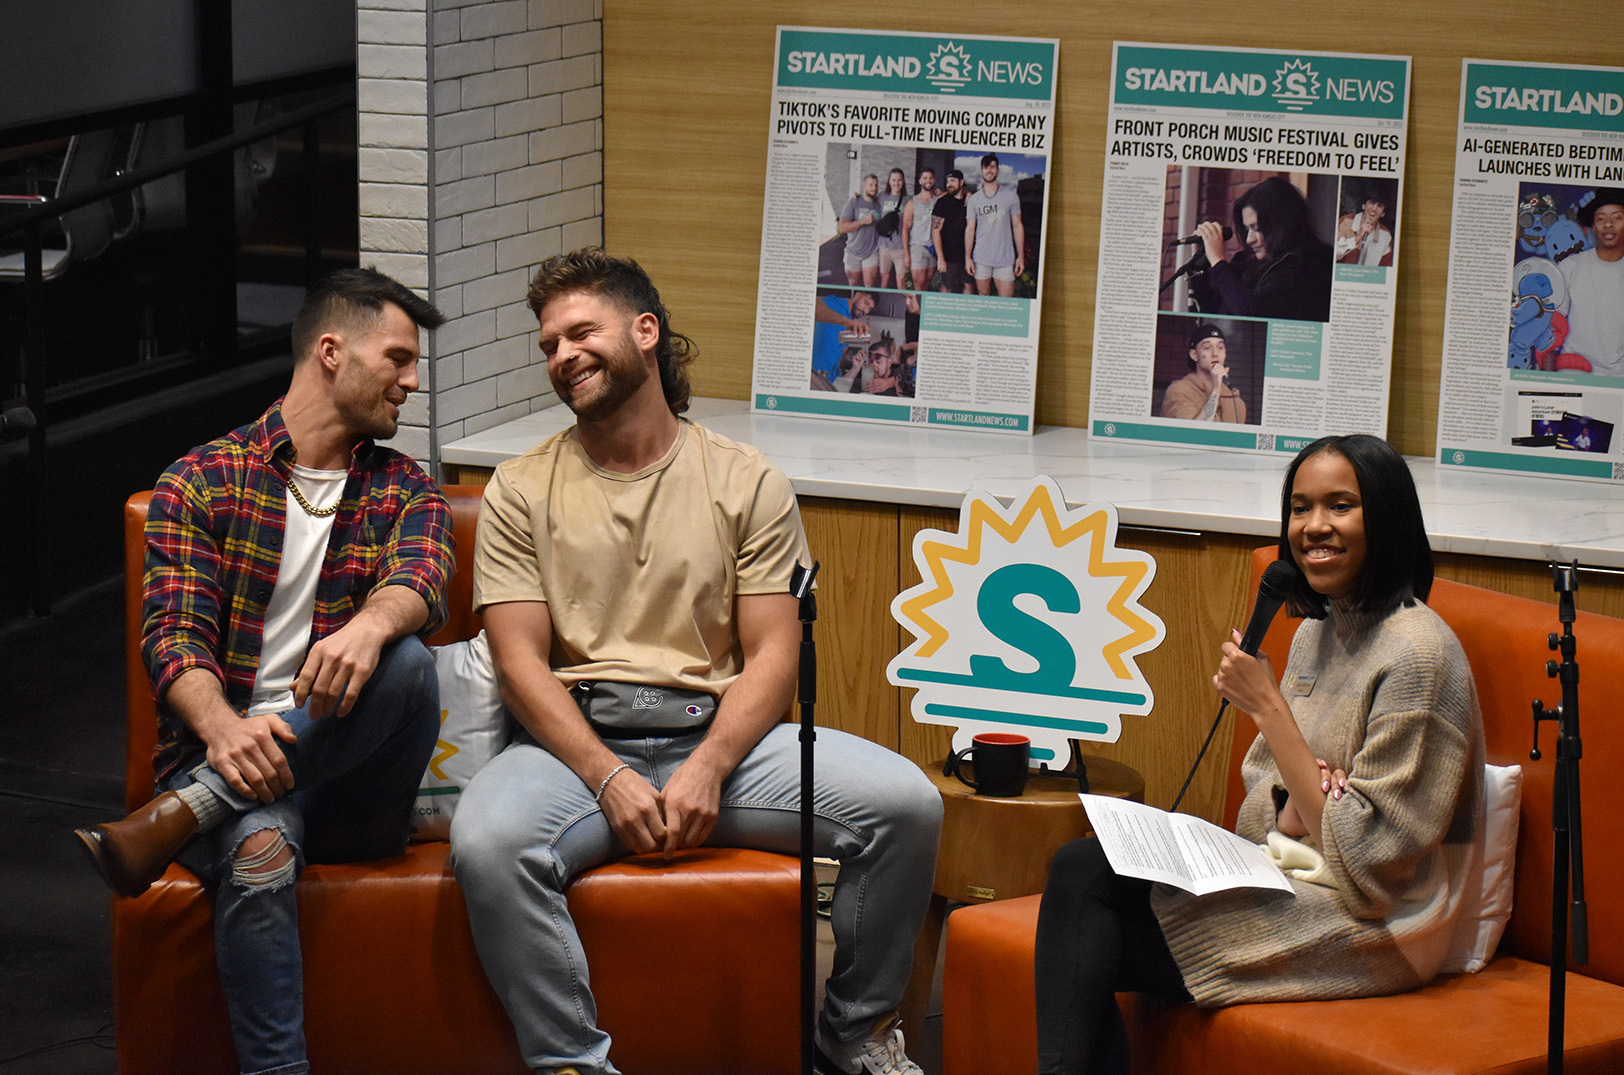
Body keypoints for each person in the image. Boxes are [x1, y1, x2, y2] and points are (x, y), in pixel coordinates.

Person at [450, 249, 943, 1075]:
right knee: (488, 841)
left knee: (908, 806)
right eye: (547, 345)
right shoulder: (519, 487)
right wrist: (607, 775)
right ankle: (572, 1061)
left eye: (579, 332)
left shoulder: (744, 479)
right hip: (574, 750)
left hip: (723, 739)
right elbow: (520, 662)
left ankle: (851, 1038)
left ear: (646, 333)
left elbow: (774, 654)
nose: (560, 356)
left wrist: (710, 766)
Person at [75, 267, 453, 1075]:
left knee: (410, 663)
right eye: (397, 358)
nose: (412, 382)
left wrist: (371, 626)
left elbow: (423, 576)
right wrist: (222, 729)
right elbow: (173, 637)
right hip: (234, 761)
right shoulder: (202, 479)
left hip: (355, 788)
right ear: (329, 352)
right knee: (257, 853)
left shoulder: (403, 486)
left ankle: (184, 814)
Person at [1034, 433, 1484, 1075]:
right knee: (1084, 864)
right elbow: (1257, 817)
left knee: (1090, 930)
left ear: (1386, 516)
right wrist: (1298, 807)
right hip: (1300, 873)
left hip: (1386, 929)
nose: (1314, 527)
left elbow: (1373, 879)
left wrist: (1271, 712)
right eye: (1300, 508)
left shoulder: (1419, 654)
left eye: (1340, 506)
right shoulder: (1312, 636)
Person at [1191, 176, 1333, 322]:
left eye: (1256, 228)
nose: (1249, 239)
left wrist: (1217, 261)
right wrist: (1203, 263)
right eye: (1247, 229)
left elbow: (1252, 313)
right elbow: (1211, 310)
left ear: (1282, 223)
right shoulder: (1246, 262)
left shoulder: (1310, 263)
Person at [1558, 187, 1624, 377]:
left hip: (1618, 377)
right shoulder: (1571, 266)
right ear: (1593, 227)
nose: (1608, 224)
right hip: (1572, 372)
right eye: (1601, 218)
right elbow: (1551, 326)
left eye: (1617, 217)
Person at [964, 153, 1025, 297]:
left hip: (1005, 259)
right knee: (983, 296)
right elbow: (970, 230)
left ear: (997, 170)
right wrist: (968, 257)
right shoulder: (974, 200)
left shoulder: (1010, 196)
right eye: (986, 167)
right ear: (981, 171)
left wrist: (1020, 256)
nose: (989, 170)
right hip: (981, 259)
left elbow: (1017, 226)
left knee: (1005, 301)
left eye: (992, 167)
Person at [1161, 322, 1246, 423]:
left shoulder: (1236, 402)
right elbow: (1194, 433)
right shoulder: (1179, 391)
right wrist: (1215, 389)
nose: (1215, 353)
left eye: (1220, 347)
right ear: (1194, 355)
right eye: (1207, 347)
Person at [812, 289, 876, 382]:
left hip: (831, 379)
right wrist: (846, 322)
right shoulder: (834, 303)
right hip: (814, 377)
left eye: (869, 308)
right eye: (866, 303)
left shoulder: (852, 322)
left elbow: (841, 353)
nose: (866, 310)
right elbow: (815, 308)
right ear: (857, 295)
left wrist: (854, 363)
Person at [838, 173, 882, 286]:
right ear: (863, 186)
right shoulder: (854, 202)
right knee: (853, 285)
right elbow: (841, 228)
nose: (874, 188)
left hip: (871, 251)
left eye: (876, 185)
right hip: (853, 252)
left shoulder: (879, 204)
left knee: (869, 286)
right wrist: (862, 221)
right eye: (870, 185)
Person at [932, 168, 971, 294]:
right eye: (948, 181)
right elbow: (935, 231)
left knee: (969, 285)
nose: (949, 184)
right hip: (948, 256)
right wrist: (940, 258)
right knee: (946, 286)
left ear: (961, 182)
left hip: (967, 255)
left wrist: (969, 194)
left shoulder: (970, 201)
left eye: (953, 181)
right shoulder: (942, 202)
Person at [1335, 186, 1394, 266]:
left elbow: (1385, 270)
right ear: (1363, 205)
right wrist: (1358, 237)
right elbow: (1334, 253)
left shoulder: (1385, 235)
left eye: (1379, 206)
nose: (1374, 208)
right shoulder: (1346, 222)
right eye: (1372, 203)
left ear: (1383, 213)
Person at [901, 167, 939, 290]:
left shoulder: (938, 201)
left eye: (931, 178)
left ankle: (922, 308)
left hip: (932, 248)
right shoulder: (912, 203)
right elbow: (905, 230)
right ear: (920, 181)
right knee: (919, 283)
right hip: (917, 247)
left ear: (934, 180)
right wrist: (907, 255)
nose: (928, 180)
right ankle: (916, 309)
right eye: (925, 178)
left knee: (927, 283)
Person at [876, 167, 910, 290]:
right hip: (884, 247)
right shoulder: (881, 197)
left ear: (903, 182)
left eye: (899, 180)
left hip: (900, 248)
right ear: (889, 182)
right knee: (884, 279)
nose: (896, 183)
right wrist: (856, 196)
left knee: (901, 281)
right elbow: (867, 200)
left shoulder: (908, 200)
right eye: (894, 180)